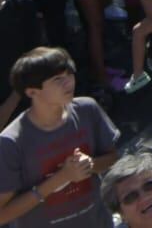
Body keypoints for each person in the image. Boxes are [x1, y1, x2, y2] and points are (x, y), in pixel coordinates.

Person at [0, 47, 121, 228]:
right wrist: (62, 177)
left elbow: (112, 158)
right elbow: (3, 214)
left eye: (69, 74)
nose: (69, 83)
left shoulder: (87, 109)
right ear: (32, 92)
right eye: (58, 80)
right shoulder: (10, 142)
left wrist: (89, 165)